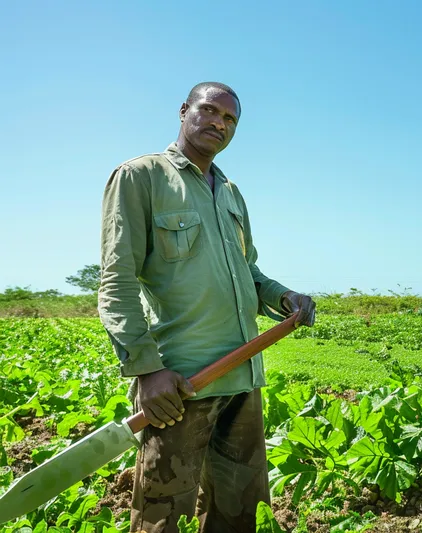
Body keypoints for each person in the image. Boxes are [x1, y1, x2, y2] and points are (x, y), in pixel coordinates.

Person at [98, 81, 316, 533]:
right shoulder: (142, 177)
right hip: (182, 385)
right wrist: (146, 370)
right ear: (184, 111)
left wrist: (283, 296)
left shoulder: (232, 193)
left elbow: (248, 272)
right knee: (163, 518)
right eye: (210, 110)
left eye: (230, 119)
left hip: (241, 376)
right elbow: (116, 281)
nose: (219, 122)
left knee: (239, 514)